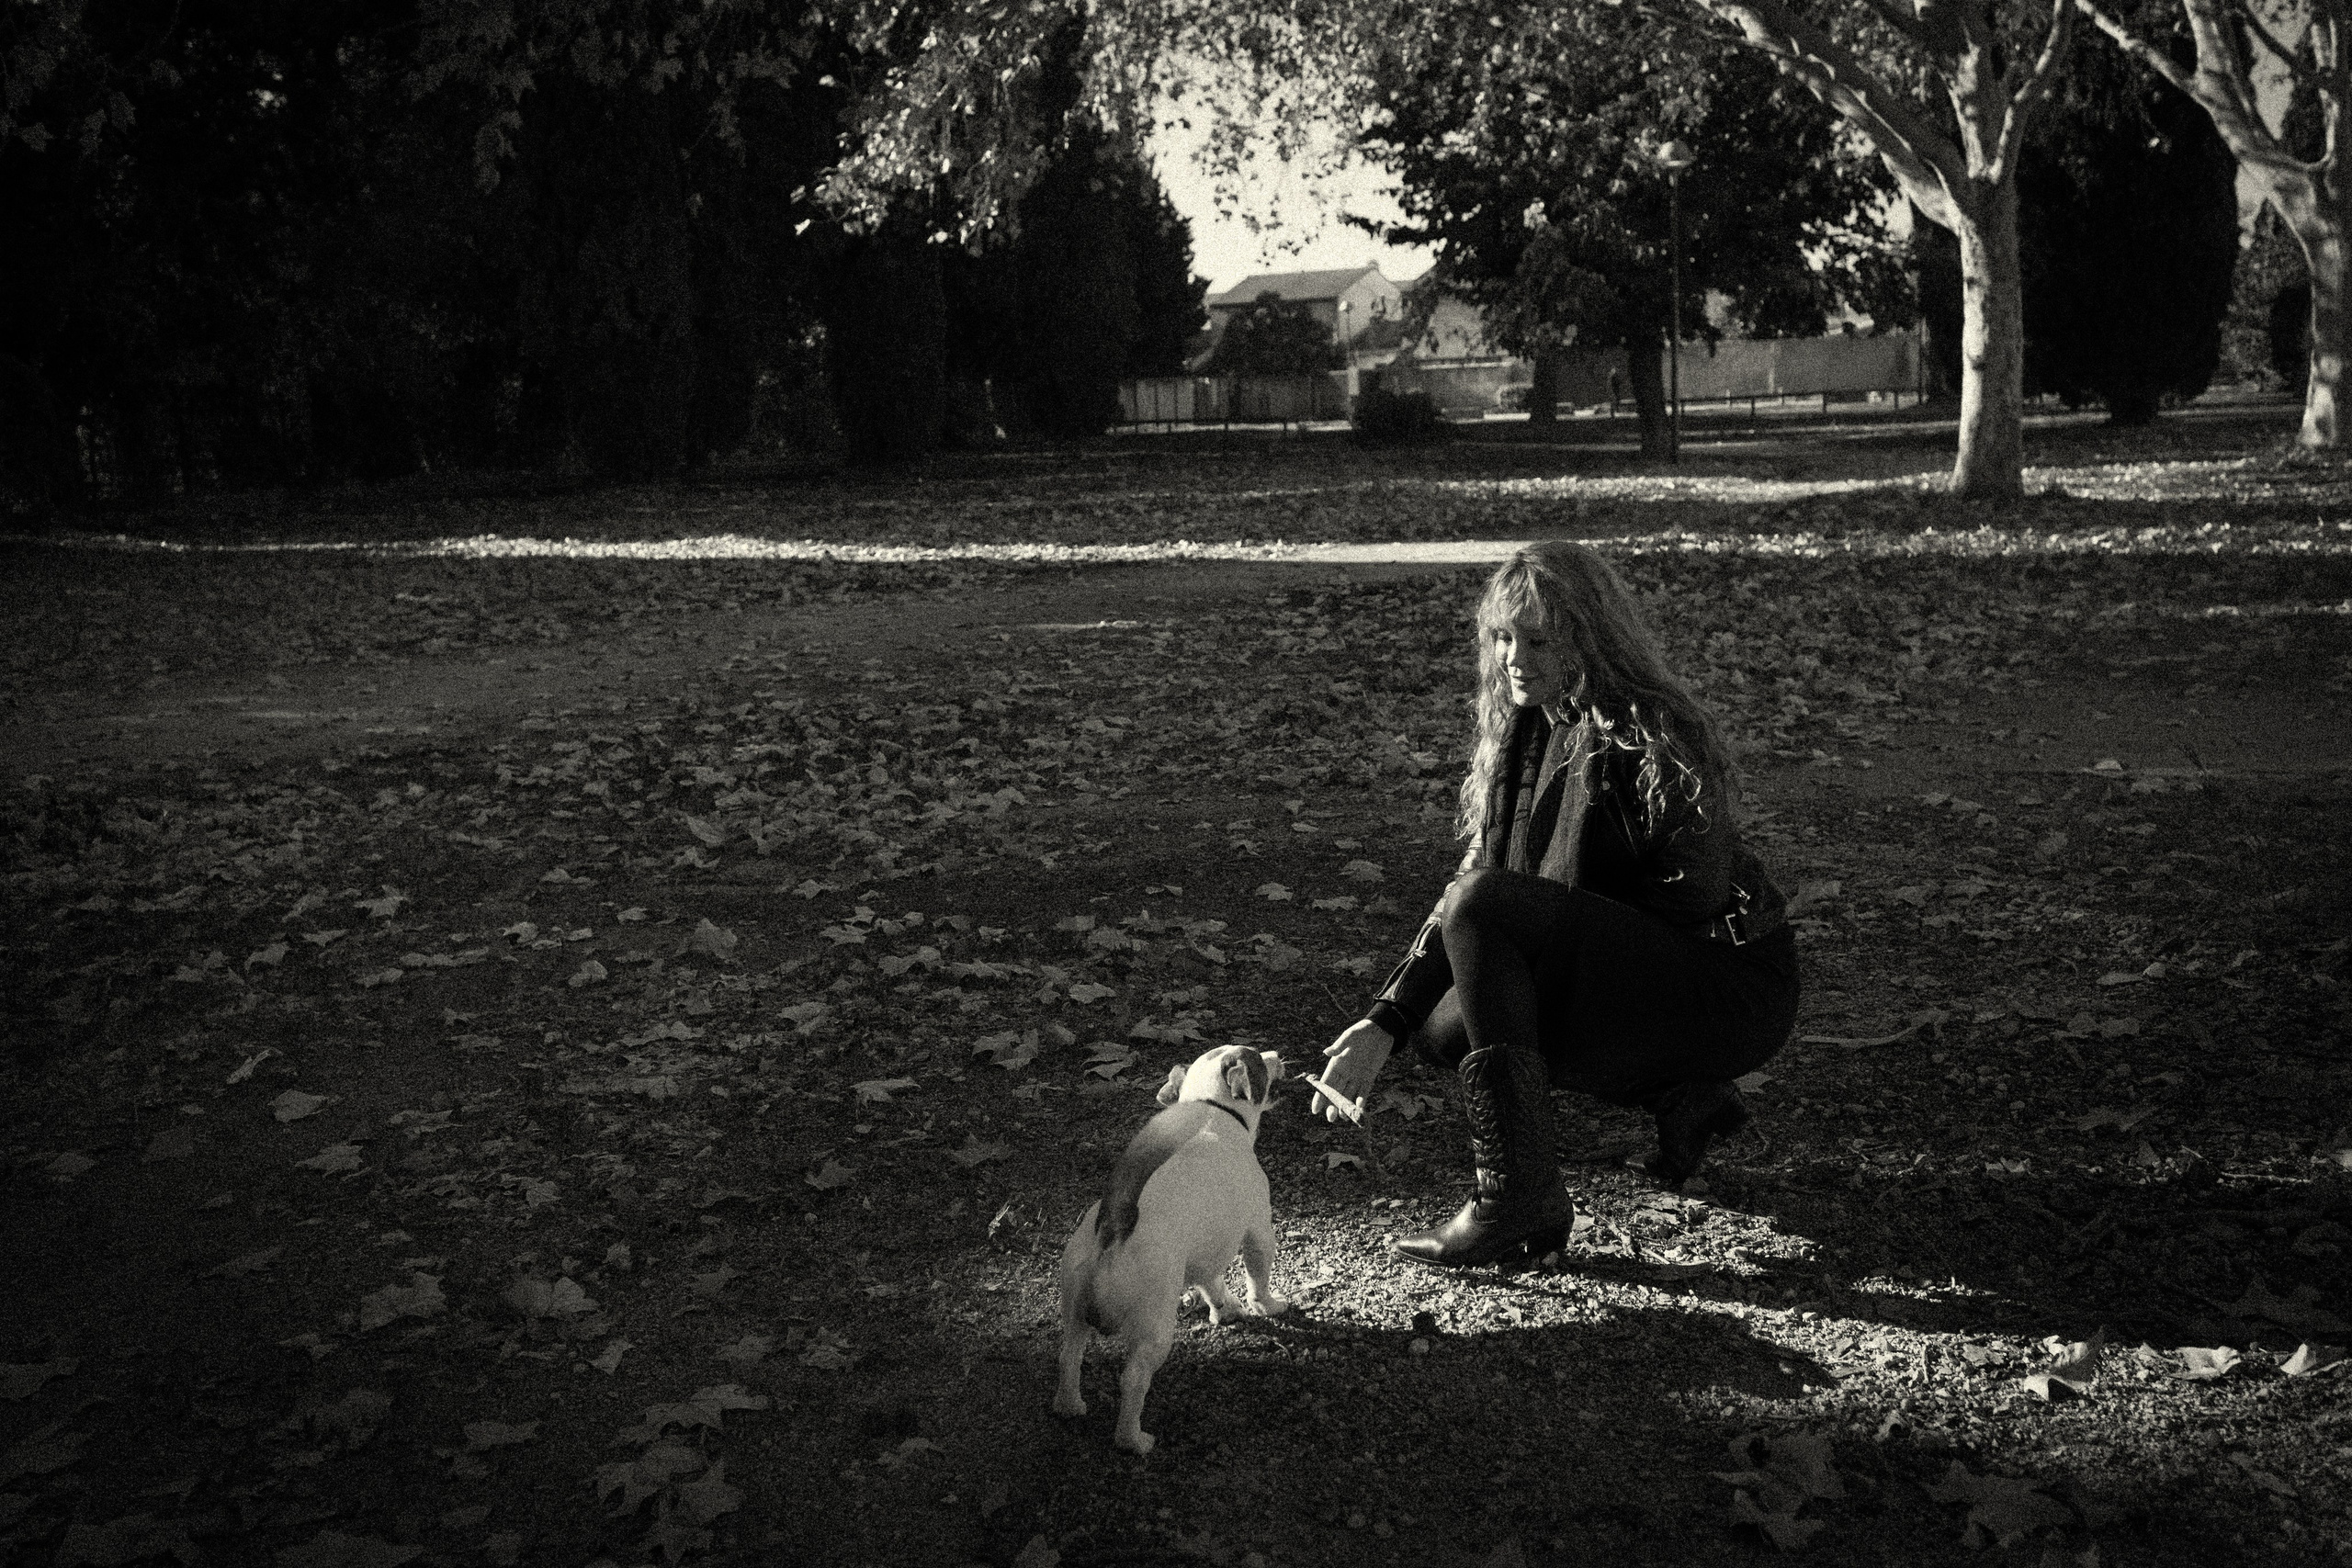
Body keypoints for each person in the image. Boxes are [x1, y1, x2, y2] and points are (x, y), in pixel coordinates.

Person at [1314, 542, 1799, 1269]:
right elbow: (1467, 895)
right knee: (1451, 1026)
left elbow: (1692, 894)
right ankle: (1684, 1098)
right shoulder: (1525, 729)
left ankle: (1517, 1195)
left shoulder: (1652, 727)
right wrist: (1387, 1019)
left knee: (1494, 943)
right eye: (1503, 637)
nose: (1514, 657)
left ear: (1588, 638)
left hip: (1727, 979)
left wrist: (1565, 941)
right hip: (1646, 968)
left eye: (1538, 640)